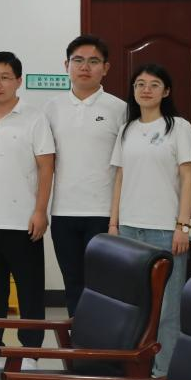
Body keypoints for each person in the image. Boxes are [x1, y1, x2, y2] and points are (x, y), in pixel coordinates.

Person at [0, 51, 55, 370]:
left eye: (4, 77)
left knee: (29, 291)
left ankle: (30, 352)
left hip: (23, 221)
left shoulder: (34, 118)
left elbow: (46, 167)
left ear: (18, 81)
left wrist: (41, 211)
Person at [110, 63, 191, 377]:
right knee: (134, 304)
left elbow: (188, 178)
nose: (146, 90)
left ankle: (163, 374)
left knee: (168, 308)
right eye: (140, 84)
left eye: (154, 84)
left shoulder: (178, 127)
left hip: (165, 231)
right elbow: (120, 178)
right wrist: (113, 224)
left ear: (166, 91)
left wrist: (182, 226)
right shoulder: (127, 129)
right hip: (129, 229)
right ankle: (135, 371)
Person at [45, 35, 127, 315]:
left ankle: (102, 341)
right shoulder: (51, 108)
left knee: (104, 286)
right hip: (63, 211)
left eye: (93, 61)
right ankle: (77, 340)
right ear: (66, 65)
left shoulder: (119, 109)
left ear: (106, 68)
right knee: (73, 284)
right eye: (78, 60)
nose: (85, 67)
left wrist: (117, 217)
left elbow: (126, 166)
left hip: (103, 213)